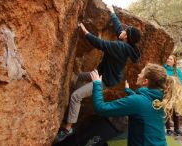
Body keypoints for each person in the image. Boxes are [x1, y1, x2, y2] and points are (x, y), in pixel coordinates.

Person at [55, 5, 141, 143]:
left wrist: (85, 31)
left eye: (126, 31)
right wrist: (112, 13)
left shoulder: (120, 47)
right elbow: (119, 28)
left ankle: (67, 128)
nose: (123, 30)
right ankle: (74, 108)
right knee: (81, 77)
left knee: (76, 96)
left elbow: (100, 43)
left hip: (103, 81)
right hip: (99, 74)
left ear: (127, 37)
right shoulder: (125, 43)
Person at [90, 63, 182, 146]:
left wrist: (97, 84)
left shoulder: (137, 101)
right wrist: (129, 91)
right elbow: (145, 106)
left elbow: (101, 108)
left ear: (145, 81)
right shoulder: (162, 100)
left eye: (141, 73)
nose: (138, 74)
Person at [163, 55, 182, 136]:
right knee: (167, 111)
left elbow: (181, 82)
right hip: (165, 93)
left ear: (174, 62)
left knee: (176, 111)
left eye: (170, 59)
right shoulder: (163, 69)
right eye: (168, 58)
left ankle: (177, 129)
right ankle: (168, 129)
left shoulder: (177, 71)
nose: (168, 60)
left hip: (175, 94)